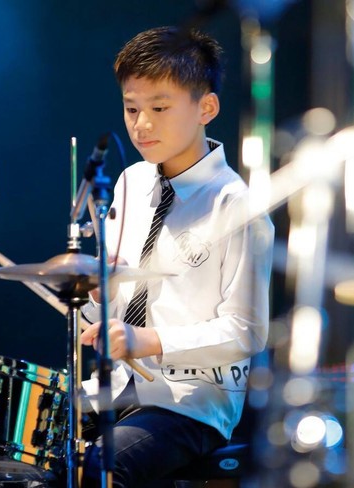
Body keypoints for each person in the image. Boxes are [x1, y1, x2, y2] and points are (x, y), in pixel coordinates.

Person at [79, 25, 274, 487]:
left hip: (189, 402)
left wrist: (151, 340)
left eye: (159, 108)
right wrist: (95, 296)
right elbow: (107, 315)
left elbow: (247, 331)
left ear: (206, 108)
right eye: (132, 108)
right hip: (112, 388)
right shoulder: (129, 182)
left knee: (98, 469)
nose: (141, 124)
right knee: (20, 441)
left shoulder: (236, 205)